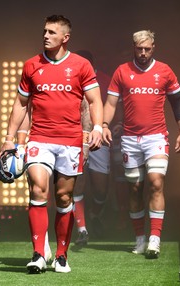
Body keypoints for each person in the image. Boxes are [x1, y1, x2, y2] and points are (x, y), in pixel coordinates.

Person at [0, 15, 103, 273]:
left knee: (64, 197)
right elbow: (21, 104)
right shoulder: (31, 65)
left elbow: (94, 101)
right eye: (44, 31)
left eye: (52, 32)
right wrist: (8, 140)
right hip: (40, 139)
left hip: (70, 142)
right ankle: (37, 254)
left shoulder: (81, 65)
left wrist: (98, 128)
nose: (45, 36)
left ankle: (61, 256)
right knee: (38, 190)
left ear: (65, 38)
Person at [102, 30, 180, 259]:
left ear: (154, 47)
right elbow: (110, 103)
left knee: (156, 182)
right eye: (139, 49)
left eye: (147, 49)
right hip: (130, 140)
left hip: (156, 138)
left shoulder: (165, 71)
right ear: (134, 48)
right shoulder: (122, 71)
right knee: (134, 188)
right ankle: (140, 238)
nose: (143, 53)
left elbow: (177, 102)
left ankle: (154, 239)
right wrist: (103, 125)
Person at [72, 50, 112, 244]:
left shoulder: (104, 80)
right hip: (74, 138)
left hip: (97, 138)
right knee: (77, 183)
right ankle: (82, 229)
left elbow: (112, 105)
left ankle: (95, 214)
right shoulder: (70, 78)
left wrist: (105, 126)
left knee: (100, 188)